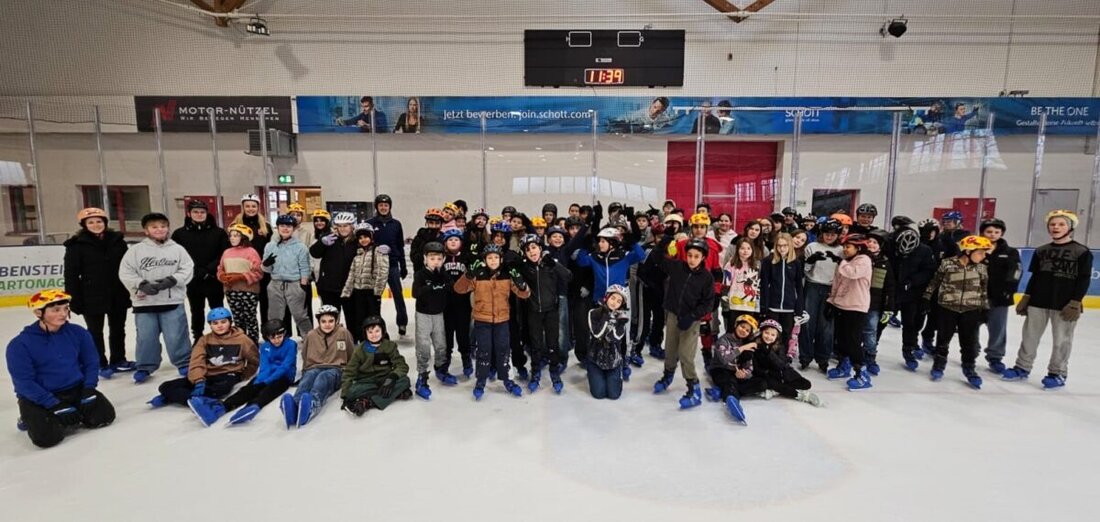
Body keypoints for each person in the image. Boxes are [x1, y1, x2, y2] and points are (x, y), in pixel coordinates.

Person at [7, 290, 116, 449]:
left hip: (75, 388)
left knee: (104, 417)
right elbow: (24, 382)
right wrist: (53, 404)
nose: (63, 314)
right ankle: (28, 416)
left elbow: (91, 362)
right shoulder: (19, 345)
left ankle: (69, 410)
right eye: (56, 310)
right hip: (41, 396)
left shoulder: (78, 332)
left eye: (65, 308)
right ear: (39, 312)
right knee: (47, 439)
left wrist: (89, 388)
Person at [1003, 210, 1092, 389]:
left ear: (1070, 227)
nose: (1056, 227)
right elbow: (1035, 277)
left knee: (1061, 340)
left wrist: (1075, 302)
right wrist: (1027, 297)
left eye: (1061, 224)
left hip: (1064, 304)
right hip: (1038, 301)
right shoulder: (1042, 251)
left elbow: (1084, 279)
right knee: (1029, 337)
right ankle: (1022, 367)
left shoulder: (1081, 252)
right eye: (1052, 224)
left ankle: (1057, 373)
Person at [119, 212, 195, 383]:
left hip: (172, 301)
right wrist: (141, 283)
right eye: (154, 227)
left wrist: (172, 280)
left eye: (163, 226)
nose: (159, 229)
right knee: (146, 337)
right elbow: (126, 272)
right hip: (145, 302)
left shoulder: (177, 249)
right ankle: (145, 366)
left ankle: (184, 362)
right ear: (146, 230)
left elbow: (187, 269)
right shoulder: (136, 251)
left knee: (176, 335)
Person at [453, 244, 532, 400]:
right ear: (484, 260)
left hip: (502, 320)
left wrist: (520, 282)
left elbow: (525, 294)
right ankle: (481, 381)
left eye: (496, 257)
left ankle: (508, 380)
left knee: (503, 351)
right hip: (482, 321)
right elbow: (459, 289)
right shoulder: (478, 275)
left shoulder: (506, 275)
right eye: (490, 257)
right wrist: (468, 275)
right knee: (484, 351)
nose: (493, 260)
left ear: (501, 259)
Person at [63, 207, 134, 378]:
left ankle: (118, 359)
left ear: (105, 223)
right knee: (95, 331)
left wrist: (130, 291)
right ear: (84, 225)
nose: (96, 225)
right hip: (91, 296)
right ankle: (99, 362)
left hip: (117, 293)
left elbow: (128, 267)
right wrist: (73, 299)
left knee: (118, 328)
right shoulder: (76, 245)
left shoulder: (117, 241)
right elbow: (71, 274)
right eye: (91, 222)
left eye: (99, 221)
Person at [647, 234, 716, 409]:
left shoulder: (707, 278)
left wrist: (693, 316)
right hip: (672, 315)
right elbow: (656, 258)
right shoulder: (677, 267)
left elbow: (708, 303)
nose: (692, 260)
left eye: (696, 256)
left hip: (691, 320)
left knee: (686, 355)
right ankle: (668, 374)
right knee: (670, 349)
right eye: (690, 255)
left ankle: (693, 387)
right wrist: (665, 239)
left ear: (703, 258)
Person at [186, 317, 296, 426]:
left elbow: (285, 367)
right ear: (267, 337)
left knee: (269, 389)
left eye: (279, 336)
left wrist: (266, 382)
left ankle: (253, 406)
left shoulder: (291, 345)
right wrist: (260, 381)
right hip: (268, 374)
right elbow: (265, 366)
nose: (277, 340)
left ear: (284, 334)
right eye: (273, 338)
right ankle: (222, 408)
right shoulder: (265, 347)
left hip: (285, 376)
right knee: (248, 389)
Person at [147, 307, 258, 408]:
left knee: (220, 390)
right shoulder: (204, 340)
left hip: (229, 374)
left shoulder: (242, 339)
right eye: (215, 323)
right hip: (208, 374)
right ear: (210, 325)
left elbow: (254, 360)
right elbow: (196, 361)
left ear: (230, 322)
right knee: (165, 386)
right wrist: (198, 380)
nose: (220, 326)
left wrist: (243, 374)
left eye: (223, 322)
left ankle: (173, 397)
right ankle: (194, 400)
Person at [922, 235, 991, 388]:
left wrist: (985, 308)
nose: (983, 256)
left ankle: (969, 368)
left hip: (971, 309)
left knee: (968, 342)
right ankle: (939, 365)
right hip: (948, 307)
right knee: (943, 339)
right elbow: (935, 281)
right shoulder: (948, 264)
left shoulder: (981, 268)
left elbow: (984, 290)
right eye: (980, 252)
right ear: (968, 251)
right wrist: (926, 298)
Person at [280, 305, 356, 428]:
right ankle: (294, 404)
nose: (327, 324)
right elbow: (305, 354)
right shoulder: (311, 335)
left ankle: (313, 403)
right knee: (309, 377)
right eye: (323, 321)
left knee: (323, 377)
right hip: (314, 366)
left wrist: (351, 373)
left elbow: (351, 353)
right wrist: (306, 371)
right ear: (318, 322)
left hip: (336, 369)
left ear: (336, 320)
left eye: (331, 321)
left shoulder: (343, 333)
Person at [517, 233, 572, 393]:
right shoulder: (525, 267)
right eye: (527, 250)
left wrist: (554, 264)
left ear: (540, 248)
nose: (532, 252)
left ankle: (554, 372)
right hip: (533, 311)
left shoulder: (550, 264)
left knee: (552, 344)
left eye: (534, 247)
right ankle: (535, 373)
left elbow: (568, 276)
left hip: (551, 311)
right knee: (535, 345)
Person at [171, 199, 229, 342]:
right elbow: (176, 255)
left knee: (217, 308)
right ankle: (198, 337)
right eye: (195, 212)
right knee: (196, 310)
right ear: (189, 213)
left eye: (202, 212)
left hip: (213, 278)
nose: (199, 214)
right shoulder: (179, 234)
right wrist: (194, 270)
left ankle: (221, 336)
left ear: (207, 213)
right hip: (193, 278)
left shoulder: (219, 232)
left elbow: (224, 253)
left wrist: (209, 269)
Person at [825, 234, 874, 391]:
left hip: (856, 306)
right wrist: (831, 301)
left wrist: (841, 262)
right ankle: (843, 364)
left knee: (853, 341)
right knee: (841, 339)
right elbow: (837, 283)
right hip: (841, 305)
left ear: (858, 248)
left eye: (848, 247)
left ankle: (862, 373)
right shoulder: (844, 262)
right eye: (844, 246)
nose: (845, 249)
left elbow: (853, 273)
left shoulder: (864, 261)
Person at [340, 316, 413, 416]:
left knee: (405, 380)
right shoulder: (359, 350)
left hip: (385, 379)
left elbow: (401, 365)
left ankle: (367, 402)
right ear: (365, 333)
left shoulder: (390, 346)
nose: (374, 335)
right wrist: (345, 395)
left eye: (377, 331)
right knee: (352, 392)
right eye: (370, 332)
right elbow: (349, 372)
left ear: (383, 331)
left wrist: (392, 378)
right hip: (366, 381)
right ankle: (395, 394)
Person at [412, 241, 455, 399]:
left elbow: (452, 287)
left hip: (439, 314)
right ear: (425, 259)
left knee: (441, 344)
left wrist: (443, 283)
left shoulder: (444, 274)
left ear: (443, 259)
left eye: (438, 258)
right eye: (432, 258)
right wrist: (432, 286)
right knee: (423, 346)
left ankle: (441, 368)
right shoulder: (420, 274)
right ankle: (422, 376)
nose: (435, 261)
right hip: (423, 314)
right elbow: (415, 293)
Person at [799, 218, 843, 372]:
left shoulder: (841, 250)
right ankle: (805, 357)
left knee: (826, 326)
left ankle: (823, 358)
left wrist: (839, 261)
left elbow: (843, 274)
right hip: (812, 286)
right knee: (807, 323)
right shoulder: (812, 246)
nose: (829, 237)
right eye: (826, 233)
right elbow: (804, 271)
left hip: (830, 288)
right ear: (821, 233)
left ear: (838, 235)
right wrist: (810, 261)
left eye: (833, 234)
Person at [978, 218, 1021, 373]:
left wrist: (1008, 291)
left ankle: (995, 357)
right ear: (982, 232)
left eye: (997, 232)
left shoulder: (1010, 252)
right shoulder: (974, 248)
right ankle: (971, 349)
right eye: (989, 231)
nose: (992, 235)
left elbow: (1015, 273)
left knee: (997, 328)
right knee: (970, 325)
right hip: (975, 296)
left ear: (1002, 233)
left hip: (999, 298)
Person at [892, 227, 937, 371]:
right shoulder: (891, 247)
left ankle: (909, 349)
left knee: (911, 323)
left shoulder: (925, 251)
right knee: (880, 321)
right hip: (893, 291)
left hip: (913, 293)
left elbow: (929, 271)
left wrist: (912, 281)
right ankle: (869, 352)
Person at [262, 214, 313, 336]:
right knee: (274, 316)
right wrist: (266, 263)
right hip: (275, 284)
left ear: (294, 228)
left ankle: (310, 340)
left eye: (289, 226)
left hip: (294, 284)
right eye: (282, 226)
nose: (285, 228)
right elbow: (266, 269)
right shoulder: (270, 246)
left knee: (300, 315)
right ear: (277, 227)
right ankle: (275, 340)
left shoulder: (300, 247)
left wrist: (303, 285)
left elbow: (305, 268)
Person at [367, 194, 409, 336]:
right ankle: (376, 322)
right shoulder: (370, 223)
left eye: (386, 205)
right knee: (375, 296)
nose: (383, 208)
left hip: (392, 265)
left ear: (389, 207)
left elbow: (400, 246)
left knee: (398, 295)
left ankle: (402, 323)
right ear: (376, 207)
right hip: (376, 266)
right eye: (381, 205)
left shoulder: (396, 224)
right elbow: (365, 243)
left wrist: (403, 265)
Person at [754, 319, 822, 407]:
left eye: (772, 335)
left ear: (777, 337)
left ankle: (777, 390)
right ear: (761, 332)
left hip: (783, 372)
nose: (769, 336)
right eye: (766, 333)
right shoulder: (756, 346)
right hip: (768, 375)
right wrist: (766, 372)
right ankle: (799, 395)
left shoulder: (779, 347)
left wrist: (769, 352)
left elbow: (781, 364)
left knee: (806, 384)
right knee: (771, 383)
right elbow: (756, 367)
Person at [706, 314, 759, 423]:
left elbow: (749, 367)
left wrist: (744, 374)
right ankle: (732, 400)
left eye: (747, 330)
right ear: (736, 325)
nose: (743, 330)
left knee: (760, 383)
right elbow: (724, 359)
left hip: (735, 373)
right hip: (720, 369)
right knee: (729, 381)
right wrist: (742, 348)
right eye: (742, 327)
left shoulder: (747, 346)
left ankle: (721, 391)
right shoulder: (723, 339)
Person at [341, 223, 390, 343]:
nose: (363, 240)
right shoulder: (358, 255)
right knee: (359, 319)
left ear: (372, 237)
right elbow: (351, 275)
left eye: (366, 237)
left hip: (371, 292)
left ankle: (379, 342)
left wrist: (377, 292)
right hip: (358, 292)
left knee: (374, 319)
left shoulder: (378, 251)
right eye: (360, 238)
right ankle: (362, 342)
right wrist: (346, 292)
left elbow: (383, 272)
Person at [217, 223, 264, 343]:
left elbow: (258, 272)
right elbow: (220, 268)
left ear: (244, 237)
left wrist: (241, 277)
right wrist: (221, 276)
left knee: (250, 318)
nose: (232, 238)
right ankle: (240, 341)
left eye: (236, 235)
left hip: (249, 291)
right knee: (237, 318)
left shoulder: (251, 252)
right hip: (231, 291)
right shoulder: (226, 252)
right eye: (231, 235)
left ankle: (253, 342)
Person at [759, 232, 806, 347]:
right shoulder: (768, 261)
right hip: (772, 306)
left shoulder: (796, 263)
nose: (782, 248)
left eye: (785, 245)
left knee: (786, 336)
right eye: (779, 245)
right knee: (770, 336)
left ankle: (782, 361)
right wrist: (763, 307)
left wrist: (799, 309)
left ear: (790, 246)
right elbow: (764, 285)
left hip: (789, 307)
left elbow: (799, 287)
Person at [232, 194, 273, 323]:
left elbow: (271, 247)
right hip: (243, 271)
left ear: (258, 207)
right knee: (246, 307)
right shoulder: (235, 226)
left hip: (262, 271)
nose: (251, 209)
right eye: (247, 206)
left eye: (253, 206)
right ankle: (245, 336)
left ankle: (267, 333)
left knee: (265, 304)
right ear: (243, 207)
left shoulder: (265, 226)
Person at [311, 211, 359, 320]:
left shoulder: (357, 241)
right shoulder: (329, 238)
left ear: (352, 226)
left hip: (350, 289)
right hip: (329, 288)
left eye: (346, 226)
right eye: (340, 226)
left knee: (353, 319)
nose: (343, 229)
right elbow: (314, 253)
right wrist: (321, 243)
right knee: (331, 320)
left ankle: (353, 337)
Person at [439, 229, 474, 379]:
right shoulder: (441, 258)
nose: (453, 242)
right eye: (450, 240)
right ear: (445, 243)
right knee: (446, 332)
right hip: (446, 303)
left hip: (463, 303)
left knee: (463, 332)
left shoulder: (466, 258)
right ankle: (446, 358)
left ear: (461, 242)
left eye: (456, 240)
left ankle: (466, 357)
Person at [861, 229, 896, 376]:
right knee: (855, 331)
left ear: (881, 246)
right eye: (869, 241)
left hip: (874, 304)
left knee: (870, 331)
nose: (871, 244)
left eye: (875, 242)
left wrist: (889, 308)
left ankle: (870, 357)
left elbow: (890, 287)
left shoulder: (885, 263)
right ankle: (853, 355)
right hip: (857, 301)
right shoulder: (860, 259)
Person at [586, 285, 630, 400]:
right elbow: (597, 335)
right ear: (607, 297)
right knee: (598, 394)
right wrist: (606, 316)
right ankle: (593, 374)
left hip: (613, 361)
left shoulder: (621, 319)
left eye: (619, 301)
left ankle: (614, 377)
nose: (615, 303)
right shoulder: (593, 313)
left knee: (614, 395)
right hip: (595, 359)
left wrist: (619, 324)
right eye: (613, 298)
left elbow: (613, 338)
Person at [721, 237, 761, 333]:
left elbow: (758, 285)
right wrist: (725, 305)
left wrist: (758, 306)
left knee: (748, 331)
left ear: (752, 250)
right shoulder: (730, 264)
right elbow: (725, 285)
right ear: (737, 249)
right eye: (742, 248)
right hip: (734, 305)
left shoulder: (757, 264)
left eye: (748, 248)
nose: (745, 251)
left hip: (750, 305)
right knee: (733, 330)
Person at [411, 208, 445, 274]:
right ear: (426, 223)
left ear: (441, 224)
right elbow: (413, 257)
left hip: (439, 274)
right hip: (421, 273)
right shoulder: (419, 238)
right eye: (431, 223)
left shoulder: (444, 238)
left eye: (437, 223)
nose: (434, 226)